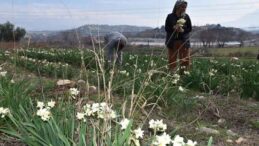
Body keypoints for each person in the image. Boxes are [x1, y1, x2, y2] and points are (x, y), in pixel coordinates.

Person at [165, 0, 192, 73]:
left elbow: (190, 28)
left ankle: (184, 74)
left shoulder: (186, 16)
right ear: (177, 7)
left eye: (185, 7)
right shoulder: (170, 16)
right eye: (182, 7)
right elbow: (166, 28)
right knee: (172, 60)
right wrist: (173, 28)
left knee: (185, 60)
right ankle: (172, 75)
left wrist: (183, 30)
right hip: (172, 42)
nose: (184, 9)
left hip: (184, 42)